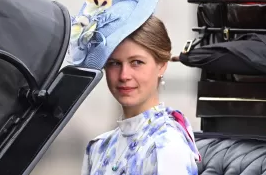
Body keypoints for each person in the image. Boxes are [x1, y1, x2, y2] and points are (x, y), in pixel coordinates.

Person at [80, 15, 201, 175]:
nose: (124, 75)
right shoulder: (98, 147)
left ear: (161, 65)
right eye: (114, 63)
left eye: (136, 62)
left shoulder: (167, 147)